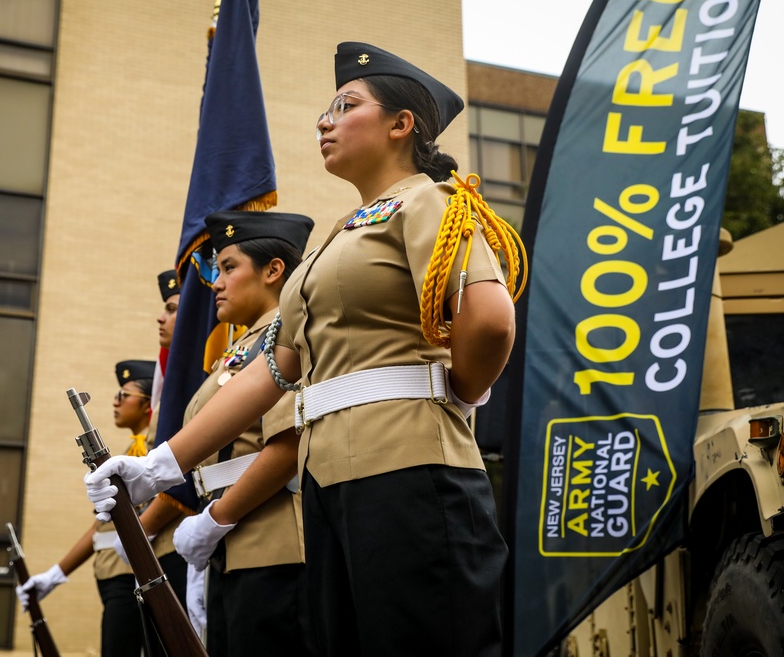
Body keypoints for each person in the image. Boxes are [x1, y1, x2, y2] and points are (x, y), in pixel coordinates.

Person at [85, 42, 525, 657]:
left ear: (402, 125)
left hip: (412, 467)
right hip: (329, 483)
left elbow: (491, 323)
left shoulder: (432, 201)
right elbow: (274, 370)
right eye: (326, 109)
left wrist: (453, 396)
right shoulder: (335, 239)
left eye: (346, 105)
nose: (325, 120)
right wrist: (159, 466)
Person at [18, 272, 188, 657]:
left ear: (148, 403)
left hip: (147, 569)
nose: (115, 401)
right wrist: (56, 574)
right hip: (115, 573)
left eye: (123, 394)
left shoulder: (156, 438)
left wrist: (138, 533)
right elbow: (101, 526)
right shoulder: (134, 448)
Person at [172, 209, 316, 656]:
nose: (215, 281)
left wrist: (214, 521)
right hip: (231, 546)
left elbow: (290, 445)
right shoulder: (239, 349)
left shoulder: (287, 338)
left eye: (229, 267)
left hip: (270, 548)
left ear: (274, 270)